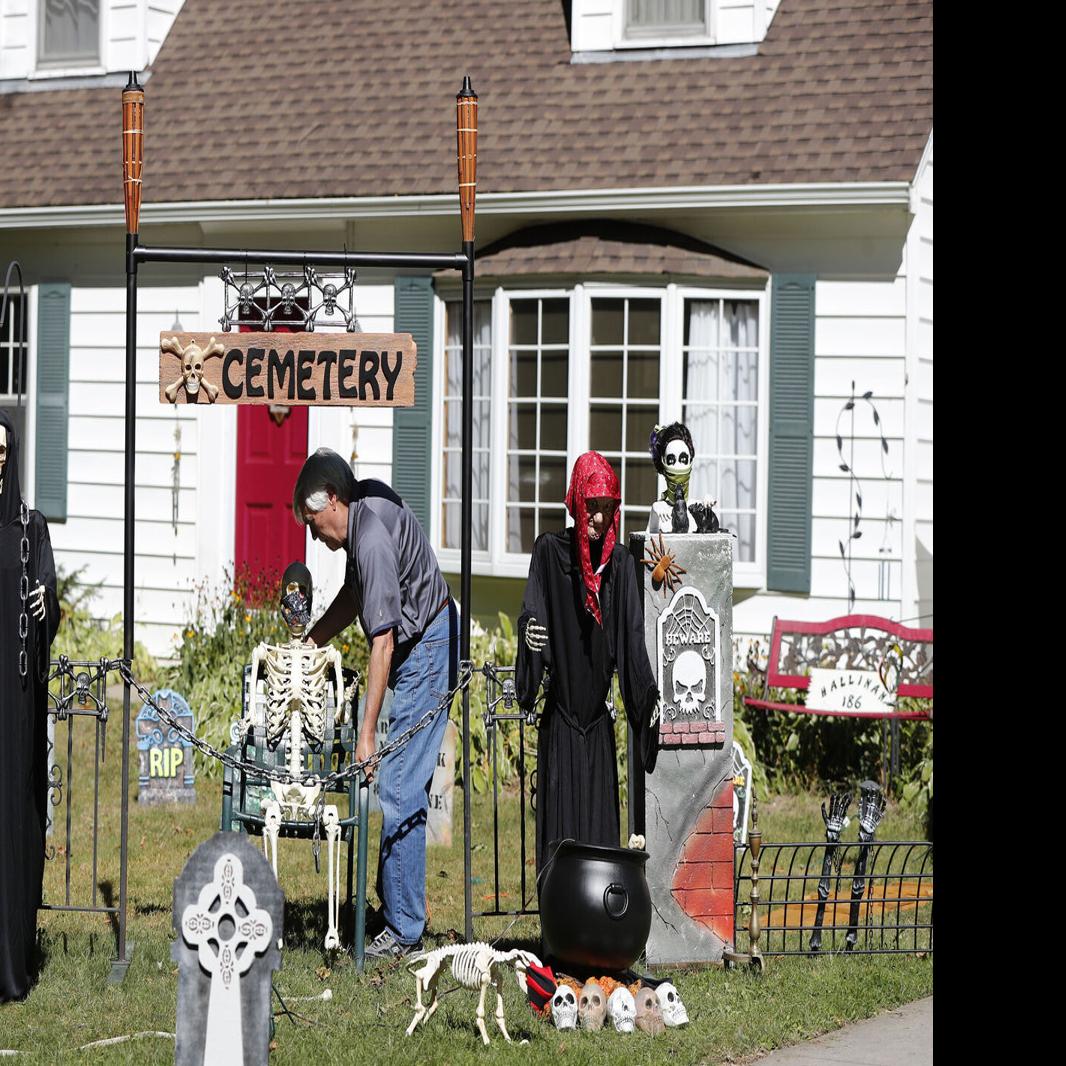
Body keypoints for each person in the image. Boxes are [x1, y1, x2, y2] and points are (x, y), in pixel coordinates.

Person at [292, 447, 456, 959]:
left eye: (313, 521)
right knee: (397, 781)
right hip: (419, 642)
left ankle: (405, 929)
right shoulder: (364, 516)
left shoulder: (371, 538)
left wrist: (367, 736)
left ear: (333, 501)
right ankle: (395, 911)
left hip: (425, 647)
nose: (314, 534)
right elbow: (354, 596)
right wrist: (311, 641)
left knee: (400, 784)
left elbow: (381, 642)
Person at [515, 451, 659, 879]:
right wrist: (530, 634)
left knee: (598, 838)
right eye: (591, 506)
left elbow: (632, 637)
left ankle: (597, 921)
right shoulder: (548, 553)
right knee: (560, 835)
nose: (598, 517)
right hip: (560, 718)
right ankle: (558, 924)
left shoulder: (619, 567)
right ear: (576, 504)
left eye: (606, 507)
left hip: (596, 723)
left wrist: (645, 696)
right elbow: (533, 611)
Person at [0, 411, 60, 1001]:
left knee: (12, 815)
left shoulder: (29, 528)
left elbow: (48, 597)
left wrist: (46, 605)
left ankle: (11, 958)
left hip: (13, 707)